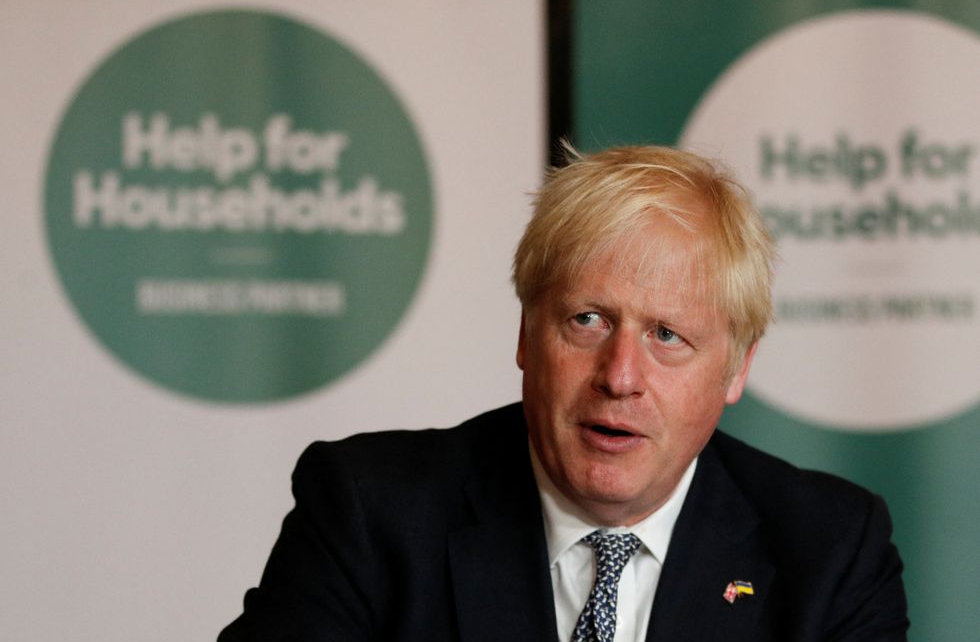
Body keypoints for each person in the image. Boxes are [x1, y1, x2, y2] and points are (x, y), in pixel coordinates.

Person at [219, 145, 909, 641]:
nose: (620, 375)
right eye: (587, 320)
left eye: (667, 335)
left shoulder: (830, 551)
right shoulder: (371, 514)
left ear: (736, 369)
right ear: (526, 335)